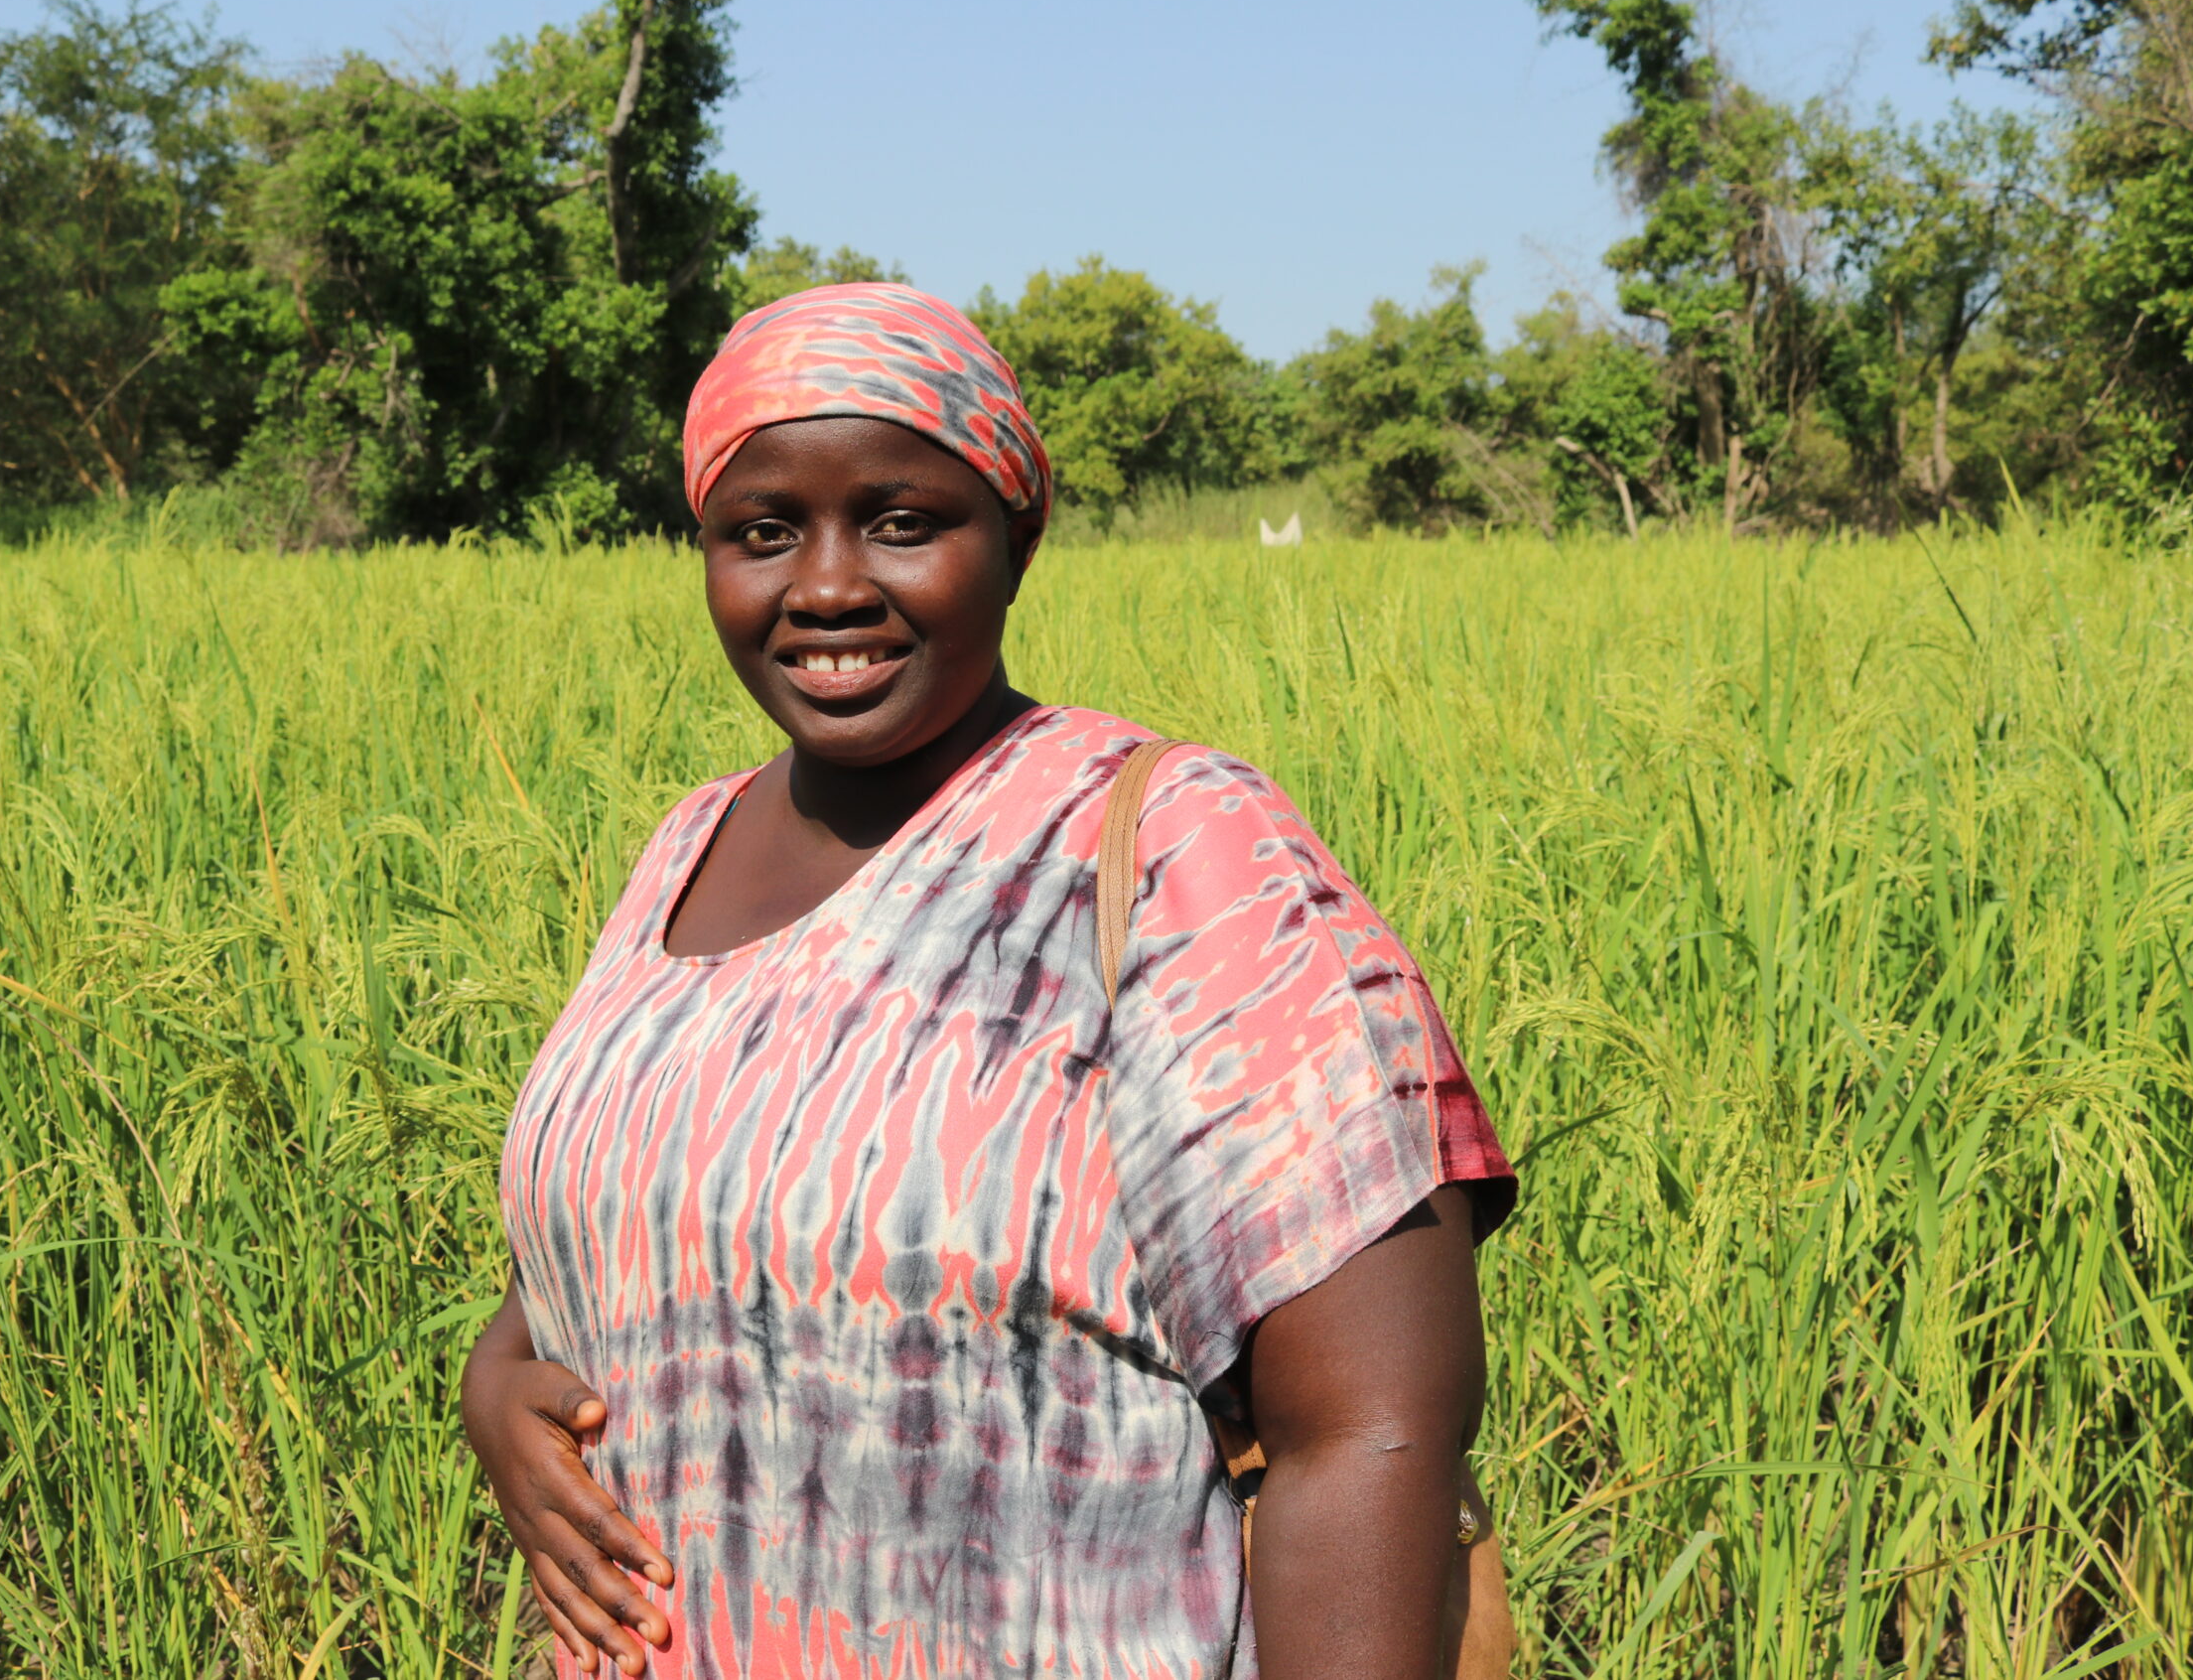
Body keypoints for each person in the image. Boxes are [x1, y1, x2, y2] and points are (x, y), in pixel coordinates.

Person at [461, 283, 1517, 1680]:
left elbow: (1370, 1429)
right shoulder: (683, 849)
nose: (827, 586)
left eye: (902, 521)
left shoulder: (1167, 849)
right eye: (763, 532)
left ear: (1019, 536)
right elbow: (659, 1213)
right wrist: (497, 1379)